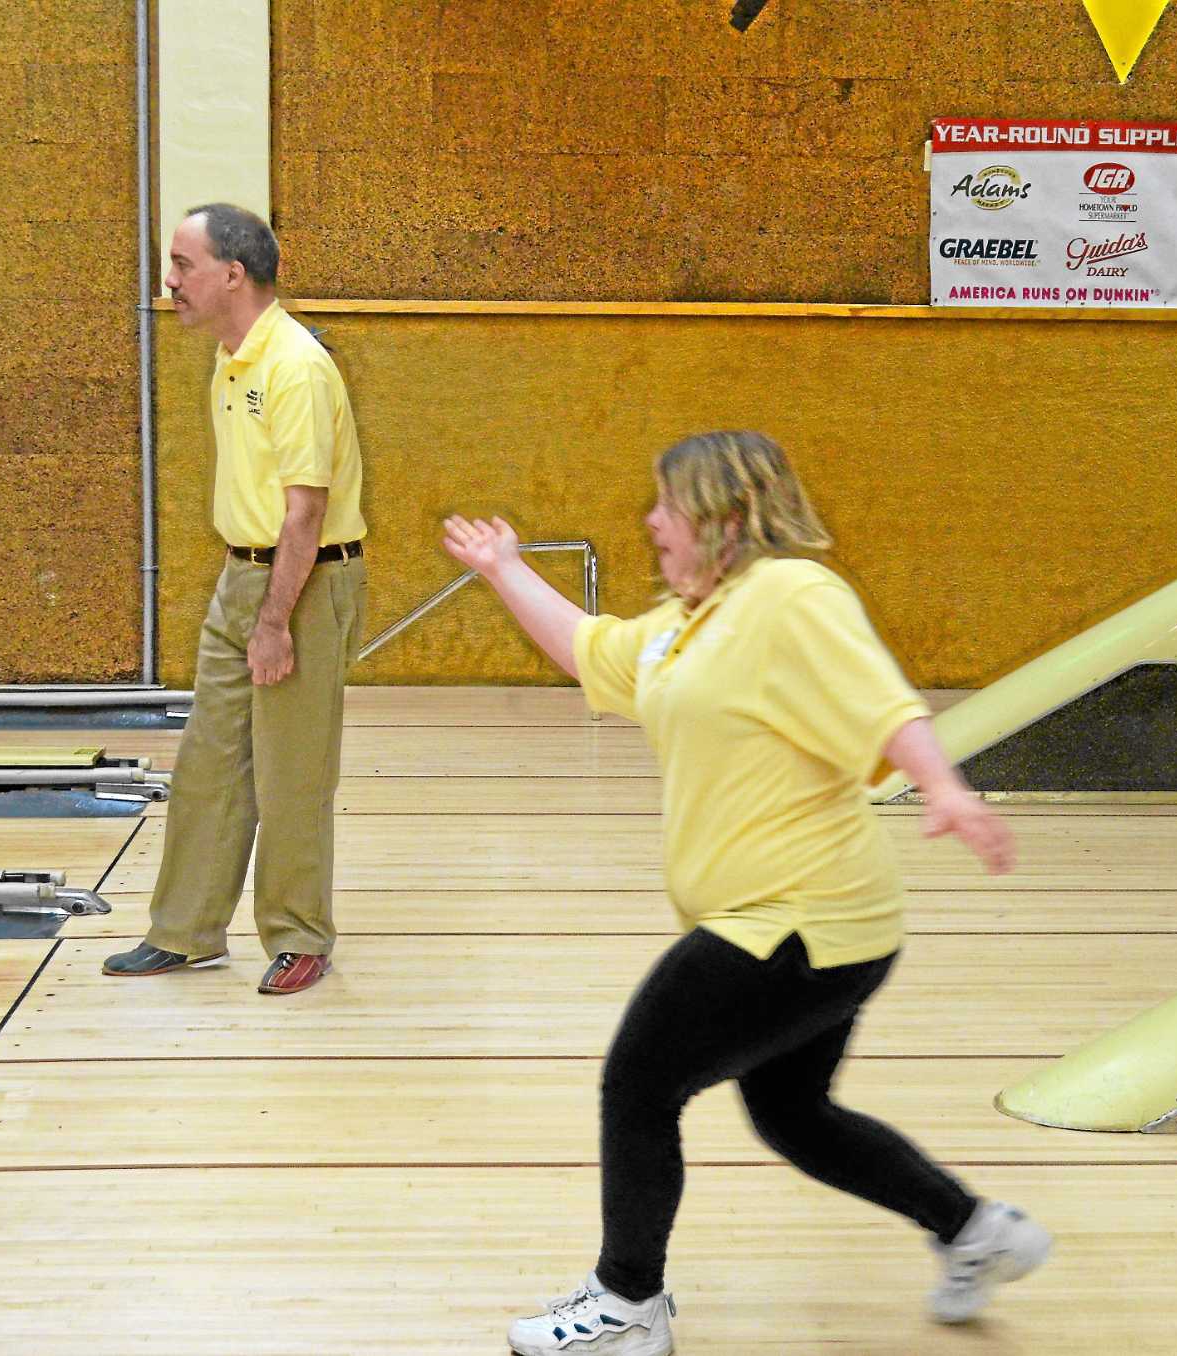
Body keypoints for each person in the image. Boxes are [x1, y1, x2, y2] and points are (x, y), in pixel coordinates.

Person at [441, 431, 1048, 1354]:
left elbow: (882, 700)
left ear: (724, 516)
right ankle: (974, 1232)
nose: (650, 523)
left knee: (639, 1081)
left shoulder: (792, 595)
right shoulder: (693, 618)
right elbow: (591, 652)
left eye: (667, 506)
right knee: (792, 1112)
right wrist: (503, 569)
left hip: (798, 918)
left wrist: (946, 787)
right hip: (810, 924)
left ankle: (628, 1303)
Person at [103, 203, 367, 996]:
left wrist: (276, 622)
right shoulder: (232, 355)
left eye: (182, 265)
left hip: (306, 579)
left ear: (232, 274)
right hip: (244, 573)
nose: (170, 281)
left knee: (290, 773)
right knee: (209, 761)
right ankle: (185, 931)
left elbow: (306, 511)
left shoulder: (295, 366)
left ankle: (300, 936)